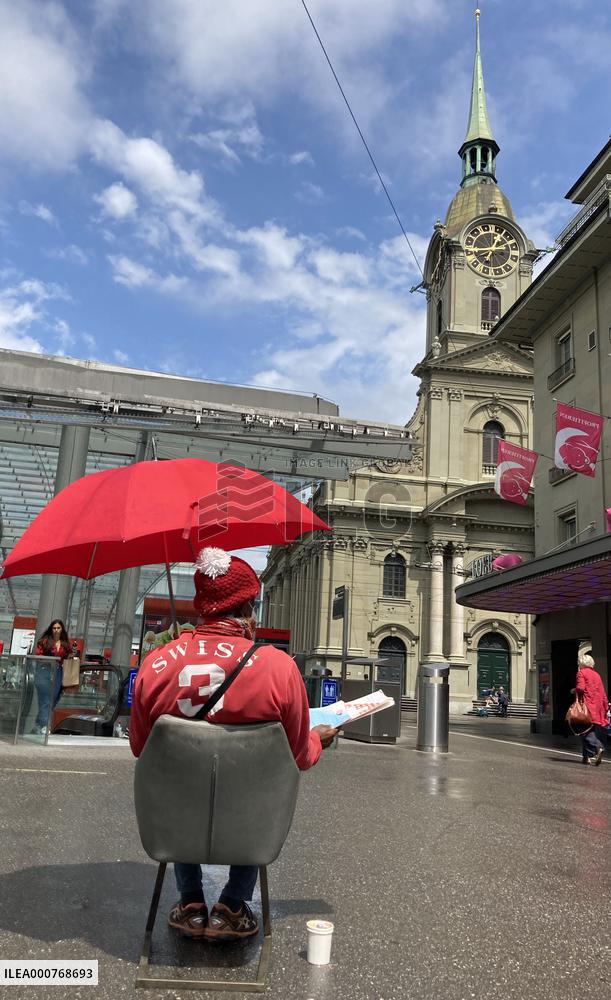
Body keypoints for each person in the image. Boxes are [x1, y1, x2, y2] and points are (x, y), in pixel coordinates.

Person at [130, 547, 338, 943]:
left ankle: (191, 901)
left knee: (183, 787)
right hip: (253, 827)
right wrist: (317, 739)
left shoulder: (155, 665)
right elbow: (299, 757)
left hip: (175, 826)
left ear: (203, 606)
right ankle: (232, 905)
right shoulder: (279, 668)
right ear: (245, 608)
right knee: (263, 786)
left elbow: (141, 747)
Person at [32, 619, 75, 735]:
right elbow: (38, 655)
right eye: (54, 628)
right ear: (51, 629)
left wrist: (71, 657)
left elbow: (70, 655)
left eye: (58, 628)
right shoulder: (44, 641)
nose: (56, 630)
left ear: (62, 629)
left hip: (59, 672)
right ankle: (44, 725)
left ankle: (38, 723)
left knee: (53, 699)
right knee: (45, 699)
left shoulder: (65, 644)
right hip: (45, 671)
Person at [575, 652, 609, 766]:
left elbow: (580, 688)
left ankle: (598, 747)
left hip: (587, 706)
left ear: (581, 663)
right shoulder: (597, 675)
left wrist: (573, 690)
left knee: (583, 730)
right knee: (590, 730)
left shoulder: (581, 673)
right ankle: (586, 757)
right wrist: (605, 707)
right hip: (598, 706)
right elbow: (603, 693)